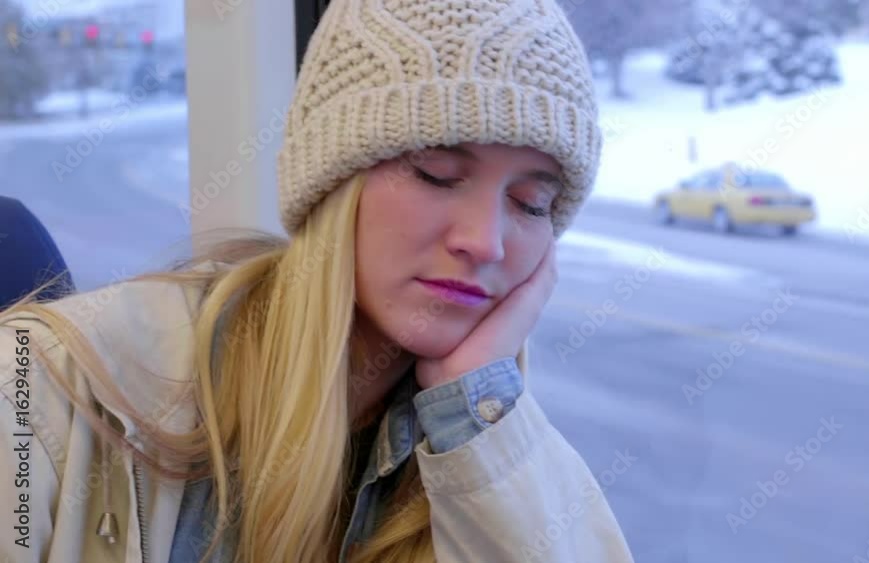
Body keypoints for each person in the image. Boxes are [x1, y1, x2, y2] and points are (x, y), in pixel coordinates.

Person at [0, 0, 632, 562]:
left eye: (530, 204)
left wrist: (476, 411)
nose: (486, 241)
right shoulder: (45, 384)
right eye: (436, 174)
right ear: (331, 184)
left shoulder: (491, 447)